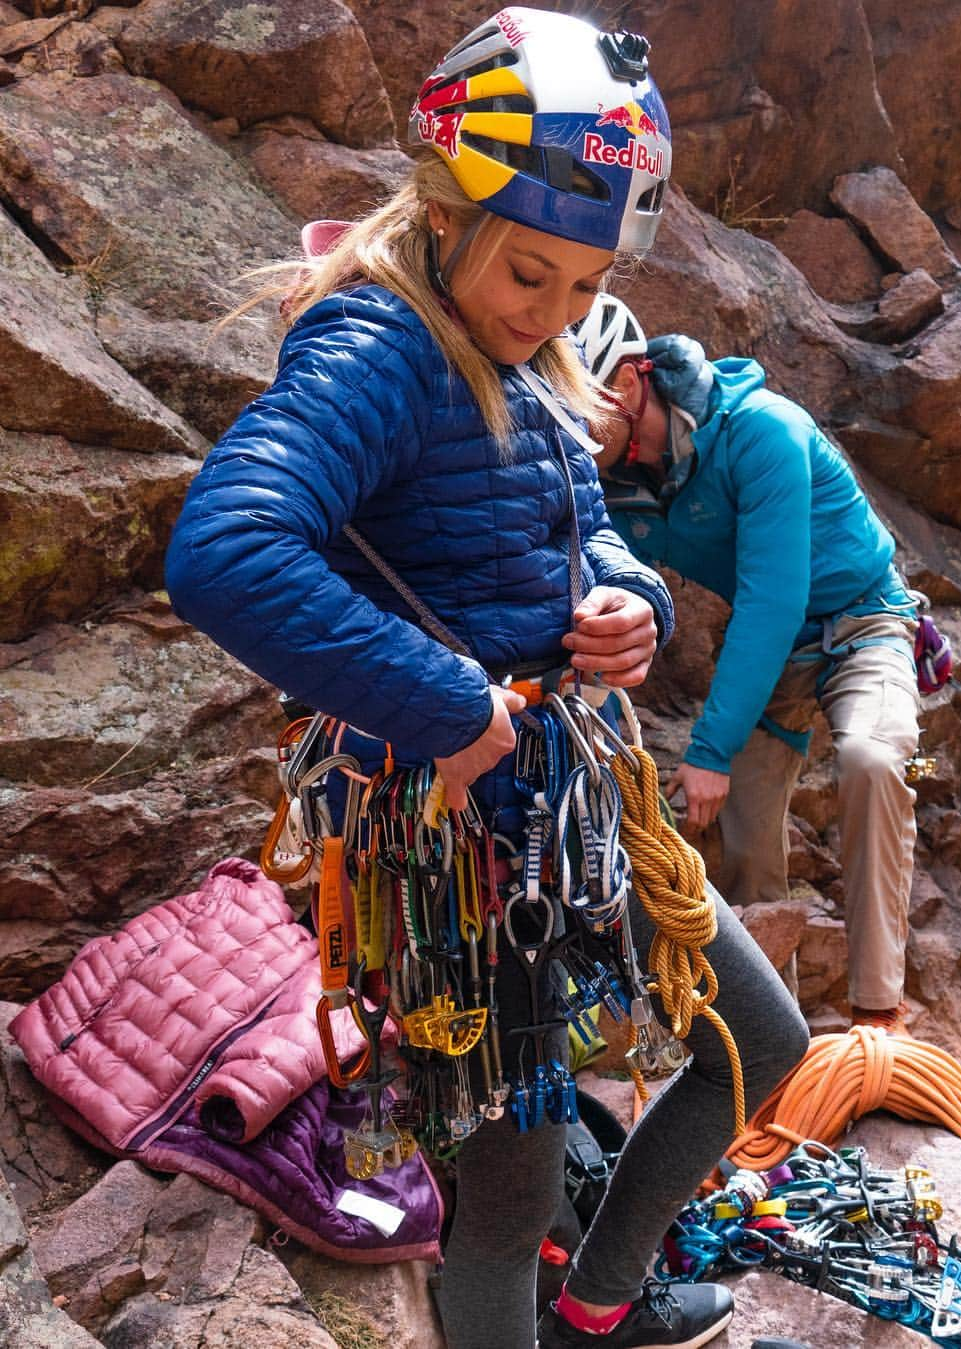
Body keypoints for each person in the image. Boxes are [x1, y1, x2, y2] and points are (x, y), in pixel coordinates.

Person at [166, 11, 808, 1348]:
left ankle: (597, 1307)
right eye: (530, 273)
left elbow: (588, 524)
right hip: (458, 845)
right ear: (445, 205)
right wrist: (451, 705)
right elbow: (227, 552)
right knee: (503, 1203)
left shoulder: (525, 356)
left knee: (757, 1040)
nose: (553, 314)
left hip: (568, 792)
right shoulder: (378, 350)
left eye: (582, 289)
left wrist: (623, 601)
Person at [577, 294, 922, 1034]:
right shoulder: (616, 488)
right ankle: (777, 1037)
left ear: (633, 385)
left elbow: (773, 596)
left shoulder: (764, 430)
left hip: (864, 619)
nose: (570, 430)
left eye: (581, 408)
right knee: (743, 830)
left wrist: (710, 749)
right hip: (778, 653)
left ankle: (878, 1013)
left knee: (870, 756)